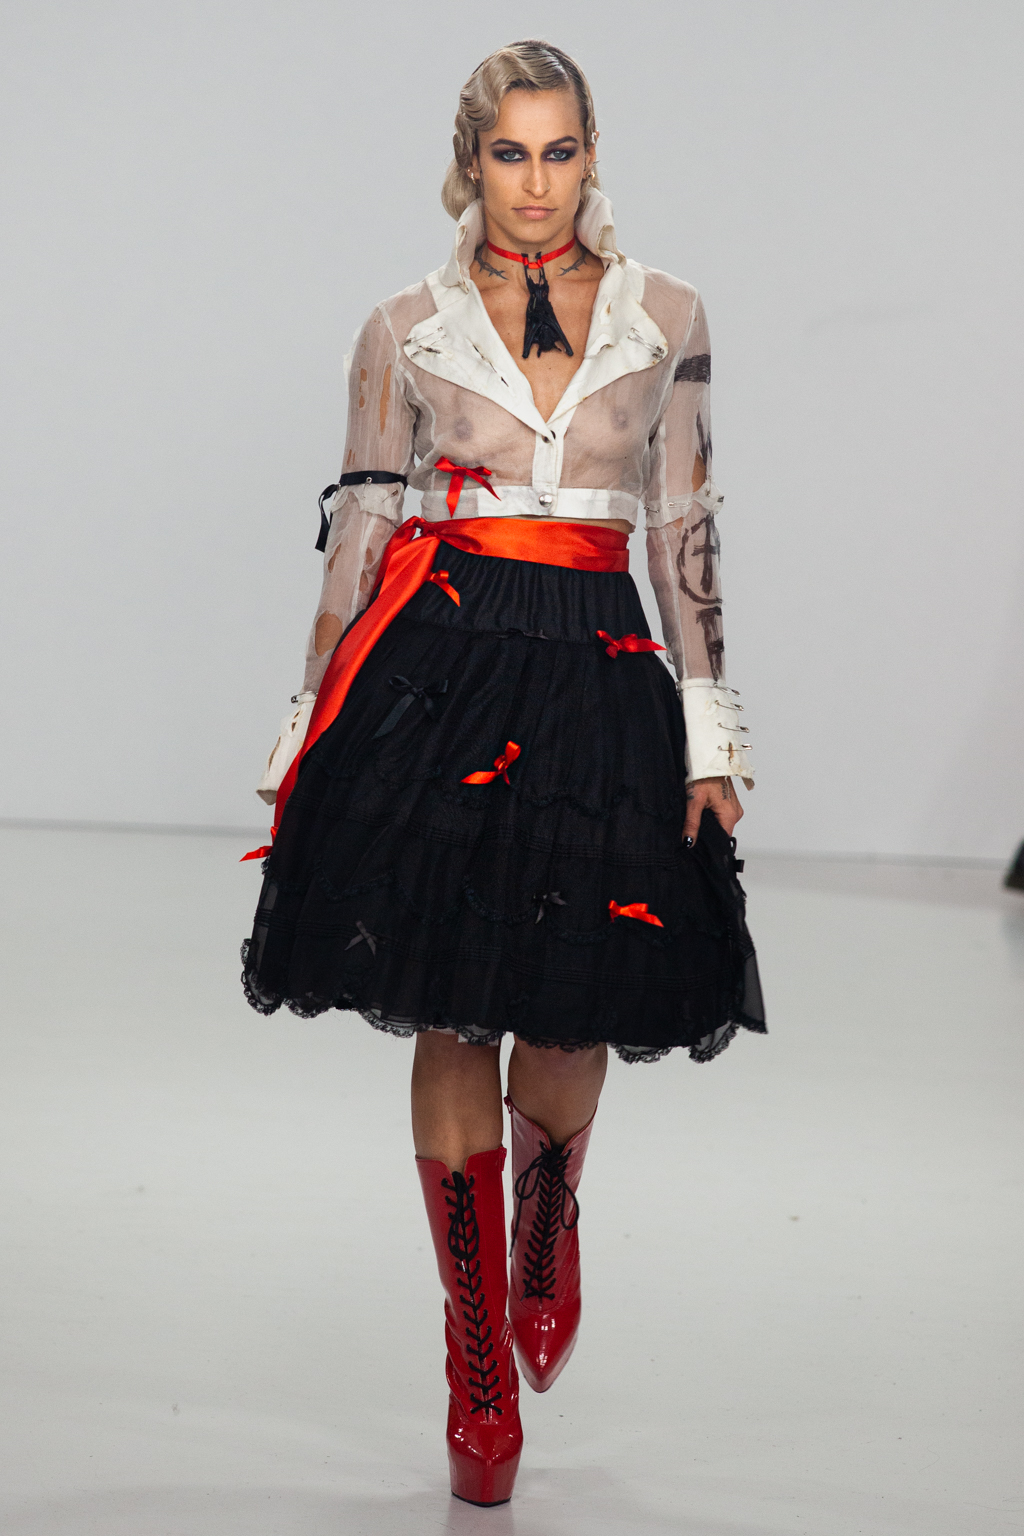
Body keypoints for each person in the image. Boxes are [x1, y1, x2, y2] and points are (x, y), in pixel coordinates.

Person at [242, 39, 765, 1507]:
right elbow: (361, 526)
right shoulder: (401, 329)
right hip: (442, 672)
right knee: (450, 1002)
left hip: (600, 669)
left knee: (575, 998)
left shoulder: (668, 317)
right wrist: (307, 718)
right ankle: (475, 1355)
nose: (536, 184)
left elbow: (684, 521)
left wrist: (712, 729)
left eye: (559, 151)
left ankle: (549, 1210)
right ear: (469, 161)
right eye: (508, 153)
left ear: (592, 153)